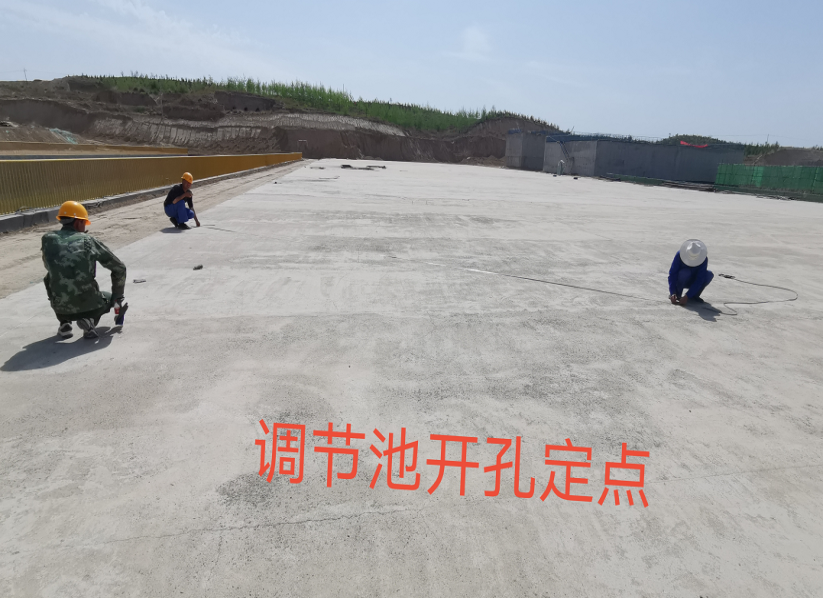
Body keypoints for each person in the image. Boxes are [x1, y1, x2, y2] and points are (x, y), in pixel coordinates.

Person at [41, 201, 128, 339]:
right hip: (89, 306)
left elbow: (49, 266)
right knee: (109, 297)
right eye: (84, 223)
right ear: (78, 222)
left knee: (51, 278)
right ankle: (89, 320)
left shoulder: (47, 240)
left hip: (61, 308)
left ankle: (64, 323)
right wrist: (118, 297)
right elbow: (119, 268)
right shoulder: (87, 240)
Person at [669, 239, 713, 306]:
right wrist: (672, 292)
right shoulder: (679, 255)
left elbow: (700, 279)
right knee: (684, 273)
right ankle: (677, 294)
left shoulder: (703, 259)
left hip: (693, 280)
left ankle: (693, 295)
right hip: (682, 279)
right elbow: (673, 274)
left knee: (709, 274)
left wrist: (688, 295)